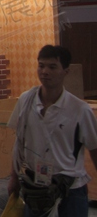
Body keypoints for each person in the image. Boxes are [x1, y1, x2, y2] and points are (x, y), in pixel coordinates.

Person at [7, 45, 97, 217]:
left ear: (65, 71)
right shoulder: (26, 101)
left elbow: (94, 149)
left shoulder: (80, 110)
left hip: (70, 190)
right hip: (35, 188)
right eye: (41, 66)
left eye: (52, 67)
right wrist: (13, 177)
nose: (45, 72)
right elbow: (18, 142)